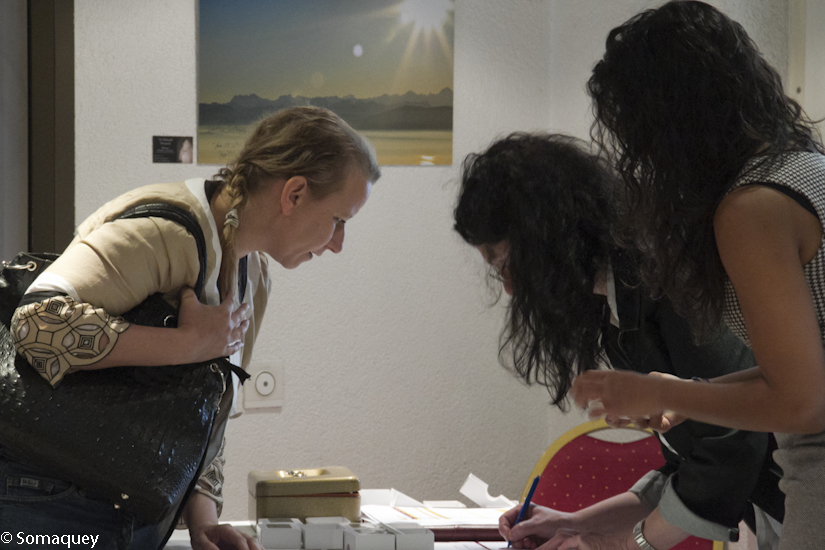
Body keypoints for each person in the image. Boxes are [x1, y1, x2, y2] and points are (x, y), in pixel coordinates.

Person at [0, 105, 380, 550]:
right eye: (339, 220)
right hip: (46, 505)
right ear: (294, 194)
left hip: (130, 512)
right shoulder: (166, 231)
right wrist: (187, 343)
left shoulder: (253, 273)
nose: (338, 244)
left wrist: (204, 522)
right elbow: (35, 324)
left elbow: (207, 414)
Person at [568, 2, 825, 549]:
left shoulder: (752, 207)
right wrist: (683, 395)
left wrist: (663, 390)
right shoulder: (803, 169)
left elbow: (802, 401)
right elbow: (807, 368)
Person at [453, 133, 784, 550]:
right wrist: (574, 523)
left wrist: (620, 545)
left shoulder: (668, 282)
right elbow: (688, 465)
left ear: (548, 237)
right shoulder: (617, 306)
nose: (509, 288)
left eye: (508, 263)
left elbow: (730, 443)